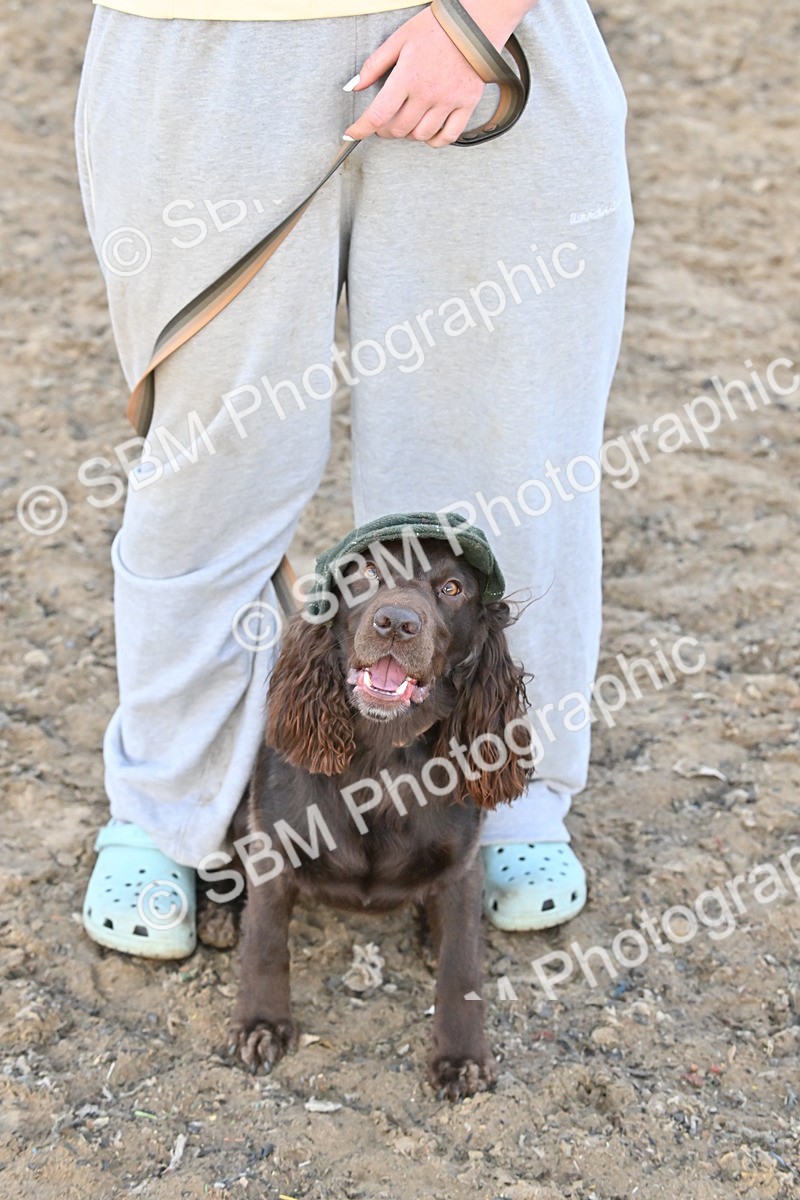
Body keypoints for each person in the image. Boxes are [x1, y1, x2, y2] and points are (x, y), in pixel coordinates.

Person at [75, 0, 633, 958]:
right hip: (200, 47)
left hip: (489, 38)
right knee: (211, 460)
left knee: (503, 457)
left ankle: (505, 791)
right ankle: (167, 805)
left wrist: (478, 19)